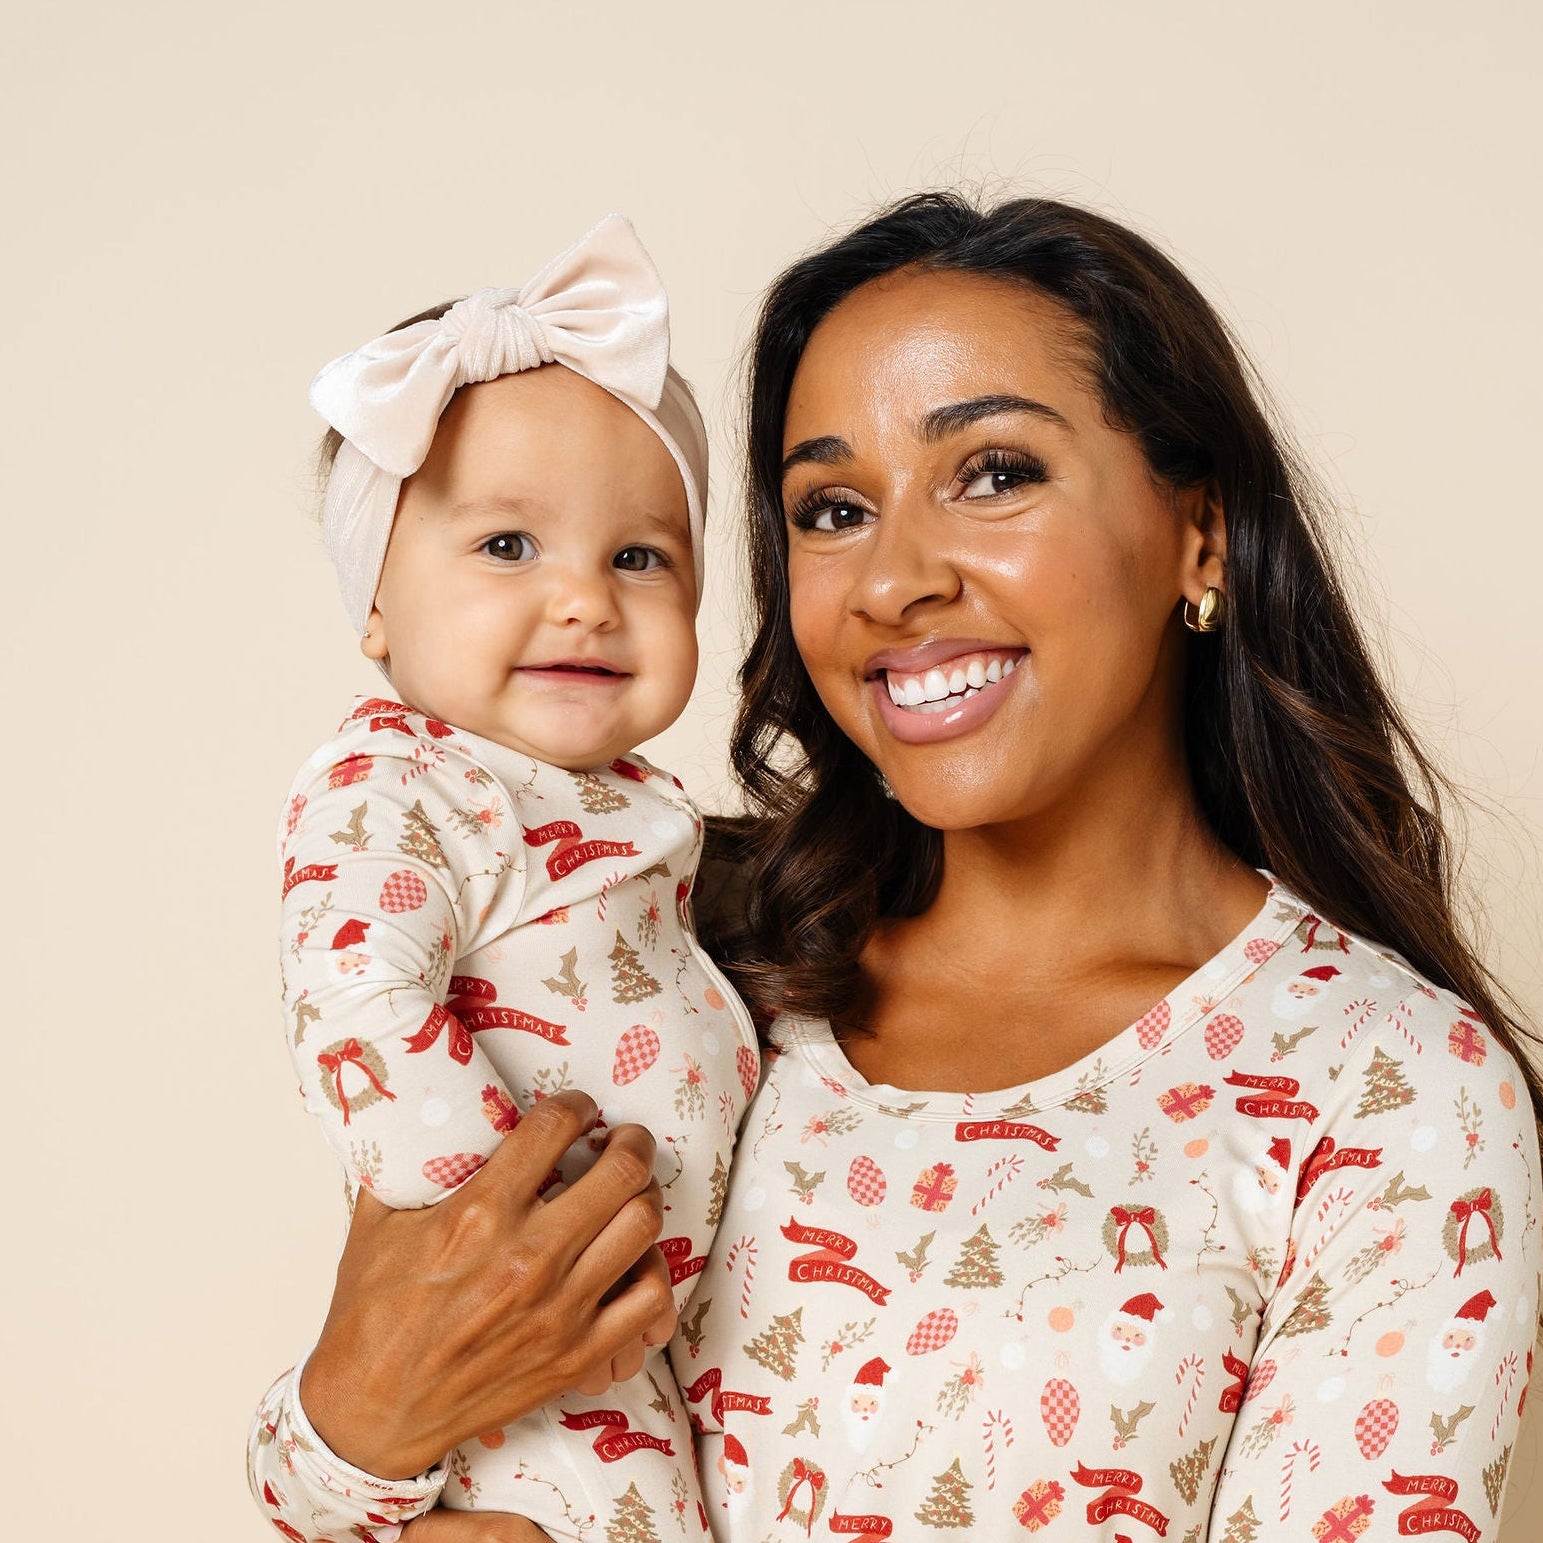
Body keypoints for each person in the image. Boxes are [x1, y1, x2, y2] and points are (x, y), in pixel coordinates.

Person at [251, 193, 1543, 1542]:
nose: (892, 579)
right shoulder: (678, 948)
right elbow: (452, 1432)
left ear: (1198, 534)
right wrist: (352, 1426)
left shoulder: (1388, 1092)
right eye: (833, 507)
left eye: (994, 473)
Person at [252, 215, 757, 1543]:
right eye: (508, 547)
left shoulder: (631, 813)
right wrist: (516, 1241)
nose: (587, 598)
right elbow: (356, 997)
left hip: (634, 1358)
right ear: (374, 603)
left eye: (640, 556)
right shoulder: (407, 785)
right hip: (527, 1369)